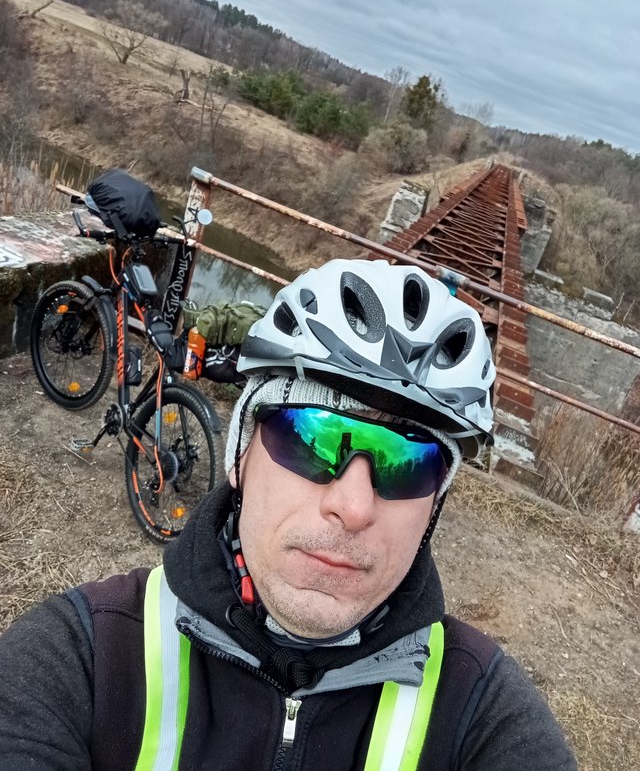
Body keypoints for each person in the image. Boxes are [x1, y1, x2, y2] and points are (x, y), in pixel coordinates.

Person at [0, 258, 576, 770]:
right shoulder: (84, 660)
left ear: (434, 507)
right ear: (240, 453)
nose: (353, 507)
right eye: (309, 437)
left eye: (409, 464)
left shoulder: (481, 713)